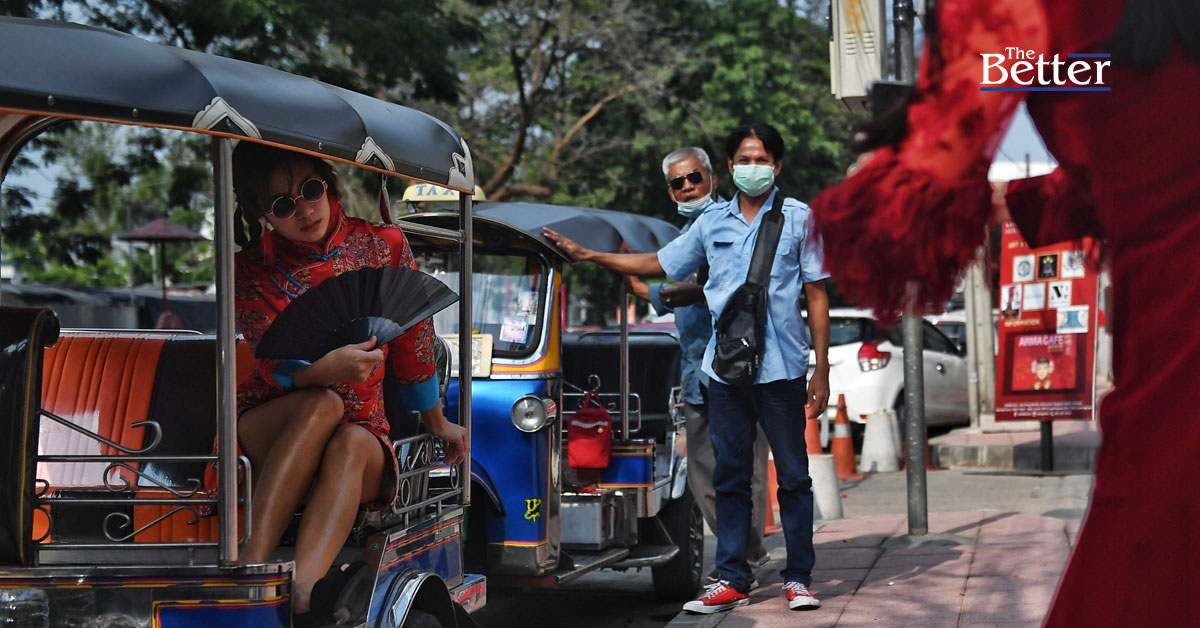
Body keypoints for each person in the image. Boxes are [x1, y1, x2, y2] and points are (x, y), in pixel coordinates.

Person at [809, 0, 1200, 624]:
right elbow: (1155, 157)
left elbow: (902, 218)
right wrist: (1013, 201)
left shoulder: (1011, 11)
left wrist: (881, 176)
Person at [544, 122, 831, 614]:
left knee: (793, 477)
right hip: (724, 372)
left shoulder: (800, 219)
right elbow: (659, 263)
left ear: (777, 166)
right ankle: (734, 578)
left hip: (782, 369)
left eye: (762, 160)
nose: (753, 168)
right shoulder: (711, 224)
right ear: (731, 167)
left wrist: (820, 368)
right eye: (745, 160)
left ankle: (799, 578)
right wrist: (588, 255)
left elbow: (817, 294)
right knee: (729, 478)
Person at [228, 142, 468, 624]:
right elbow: (269, 363)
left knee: (352, 438)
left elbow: (415, 345)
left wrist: (438, 421)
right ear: (260, 214)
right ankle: (252, 564)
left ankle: (303, 595)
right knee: (322, 404)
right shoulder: (250, 271)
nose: (304, 210)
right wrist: (325, 372)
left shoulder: (383, 246)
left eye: (310, 190)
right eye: (282, 204)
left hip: (360, 433)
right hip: (272, 424)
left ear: (329, 186)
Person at [607, 147, 775, 578]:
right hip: (698, 374)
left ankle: (745, 559)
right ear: (670, 191)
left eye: (694, 178)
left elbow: (738, 289)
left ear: (712, 179)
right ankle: (744, 554)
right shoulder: (686, 235)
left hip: (740, 368)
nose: (687, 187)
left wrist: (682, 291)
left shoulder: (730, 224)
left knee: (746, 472)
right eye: (678, 183)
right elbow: (665, 293)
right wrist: (623, 272)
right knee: (703, 476)